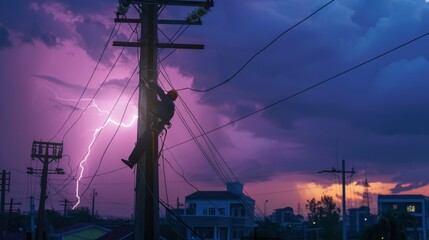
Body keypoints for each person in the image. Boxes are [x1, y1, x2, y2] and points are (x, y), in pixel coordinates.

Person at [121, 84, 178, 169]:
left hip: (154, 127)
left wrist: (153, 83)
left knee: (142, 143)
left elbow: (161, 94)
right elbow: (157, 106)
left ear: (169, 95)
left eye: (168, 94)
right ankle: (134, 161)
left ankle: (132, 162)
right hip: (155, 127)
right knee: (143, 142)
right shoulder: (169, 106)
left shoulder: (168, 102)